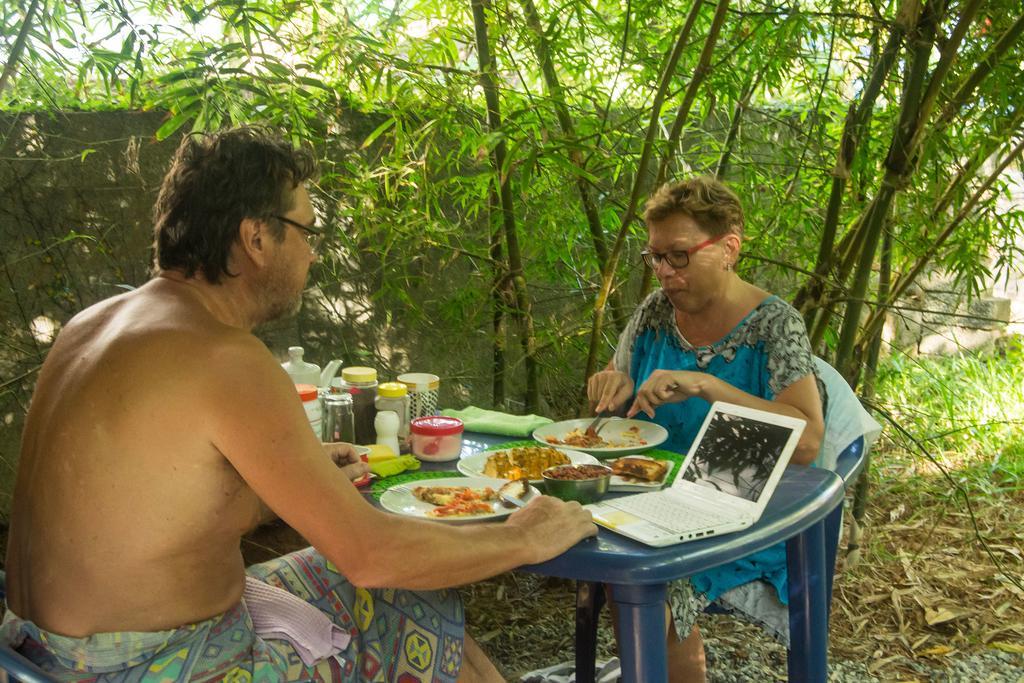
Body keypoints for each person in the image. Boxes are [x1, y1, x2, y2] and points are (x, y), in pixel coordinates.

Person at [2, 126, 597, 682]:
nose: (313, 255)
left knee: (403, 589)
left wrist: (279, 486)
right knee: (411, 589)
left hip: (35, 653)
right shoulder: (223, 356)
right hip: (150, 664)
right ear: (256, 237)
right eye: (308, 232)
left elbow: (161, 509)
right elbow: (373, 555)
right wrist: (526, 536)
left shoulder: (91, 324)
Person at [588, 176, 825, 682]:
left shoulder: (774, 326)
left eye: (678, 256)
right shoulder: (655, 312)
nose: (664, 273)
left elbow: (807, 442)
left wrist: (706, 384)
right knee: (583, 530)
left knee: (647, 576)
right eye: (653, 257)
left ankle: (656, 665)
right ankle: (648, 666)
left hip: (739, 504)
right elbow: (623, 389)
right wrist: (616, 385)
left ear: (729, 249)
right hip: (649, 491)